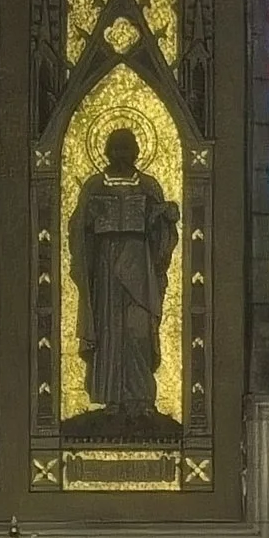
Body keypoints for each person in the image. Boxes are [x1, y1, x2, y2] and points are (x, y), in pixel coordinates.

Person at [70, 121, 180, 424]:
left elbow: (164, 231)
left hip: (139, 265)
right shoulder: (94, 185)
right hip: (105, 268)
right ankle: (113, 399)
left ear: (136, 152)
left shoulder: (148, 185)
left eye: (126, 149)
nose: (121, 154)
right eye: (115, 149)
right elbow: (77, 228)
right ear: (107, 152)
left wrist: (162, 215)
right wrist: (90, 218)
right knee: (109, 331)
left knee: (138, 330)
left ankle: (141, 397)